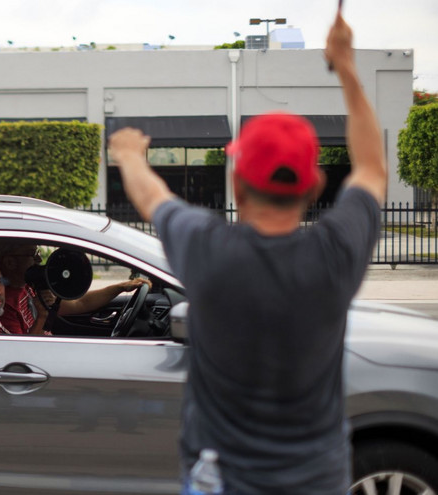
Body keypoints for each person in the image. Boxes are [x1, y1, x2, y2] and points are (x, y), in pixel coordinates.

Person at [108, 12, 386, 495]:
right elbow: (372, 170)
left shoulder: (206, 248)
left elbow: (152, 198)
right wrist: (345, 65)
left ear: (236, 184)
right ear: (316, 184)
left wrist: (130, 154)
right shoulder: (336, 254)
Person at [0, 242, 150, 335]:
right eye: (32, 254)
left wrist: (120, 287)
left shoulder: (29, 286)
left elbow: (79, 304)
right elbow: (21, 354)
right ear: (10, 262)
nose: (39, 259)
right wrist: (42, 316)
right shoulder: (0, 303)